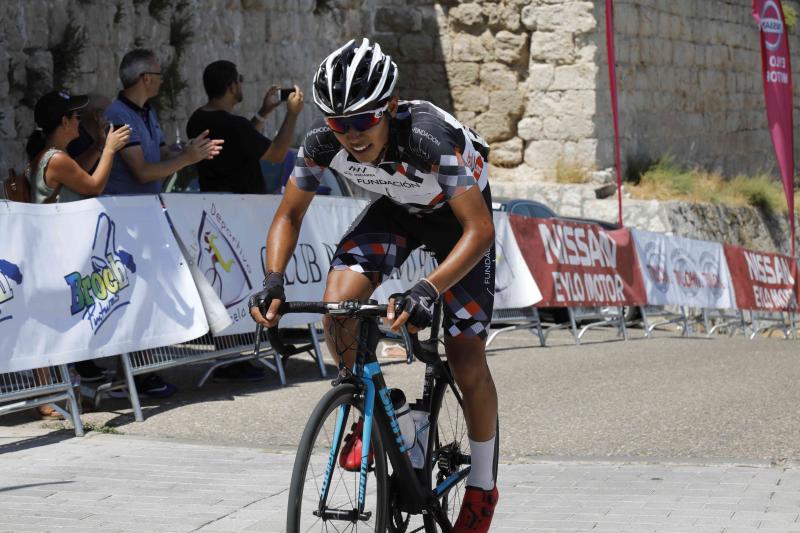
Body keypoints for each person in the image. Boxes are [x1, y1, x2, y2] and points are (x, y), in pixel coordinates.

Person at [249, 39, 499, 532]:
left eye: (362, 121)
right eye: (339, 124)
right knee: (337, 304)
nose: (351, 135)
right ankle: (382, 412)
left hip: (458, 222)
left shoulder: (429, 138)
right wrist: (273, 280)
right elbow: (289, 213)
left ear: (388, 107)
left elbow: (480, 231)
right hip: (398, 212)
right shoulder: (323, 143)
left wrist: (427, 289)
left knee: (466, 354)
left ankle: (484, 483)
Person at [24, 90, 131, 417]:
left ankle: (56, 392)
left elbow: (79, 173)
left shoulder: (55, 156)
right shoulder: (55, 159)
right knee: (49, 325)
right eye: (74, 116)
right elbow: (93, 184)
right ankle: (47, 396)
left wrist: (99, 146)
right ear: (64, 123)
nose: (79, 121)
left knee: (53, 324)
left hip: (57, 252)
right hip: (53, 255)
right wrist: (111, 150)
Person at [103, 48, 223, 196]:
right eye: (159, 75)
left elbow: (163, 155)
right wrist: (186, 159)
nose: (162, 80)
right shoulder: (118, 115)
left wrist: (192, 150)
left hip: (146, 206)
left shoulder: (147, 111)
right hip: (124, 210)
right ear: (146, 78)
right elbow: (142, 173)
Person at [186, 60, 304, 194]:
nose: (241, 85)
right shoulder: (236, 126)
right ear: (232, 87)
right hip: (243, 208)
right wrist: (292, 113)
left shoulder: (195, 121)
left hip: (212, 205)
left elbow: (243, 141)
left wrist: (263, 112)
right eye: (239, 80)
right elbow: (277, 155)